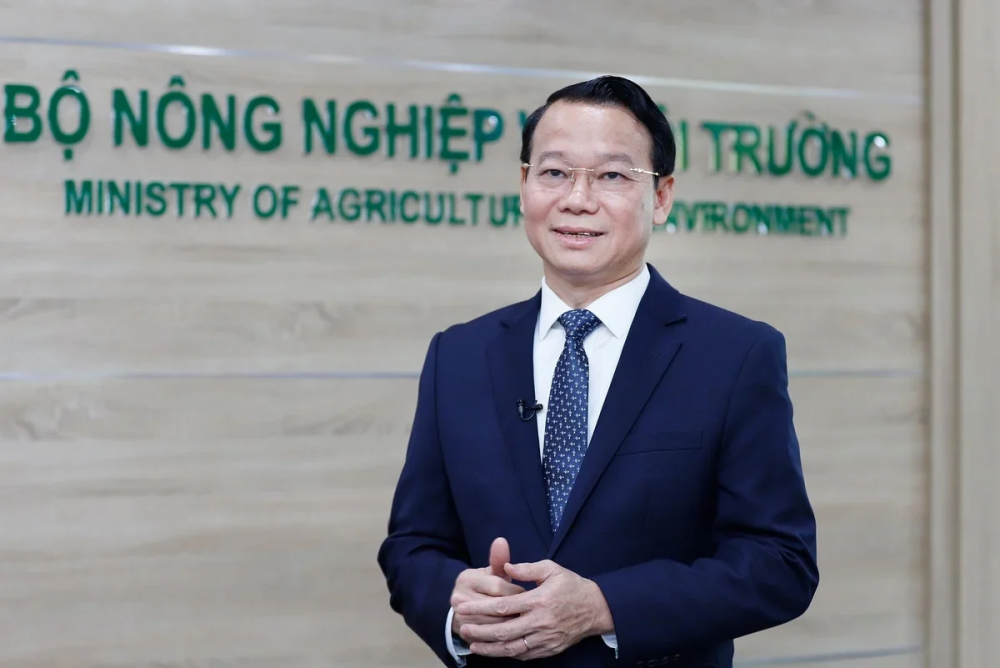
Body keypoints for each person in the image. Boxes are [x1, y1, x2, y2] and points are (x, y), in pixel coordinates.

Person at [376, 75, 818, 668]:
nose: (577, 199)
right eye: (554, 172)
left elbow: (781, 563)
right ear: (524, 185)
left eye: (611, 176)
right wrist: (456, 605)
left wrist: (605, 606)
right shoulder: (458, 355)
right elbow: (412, 546)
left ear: (661, 195)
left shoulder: (735, 355)